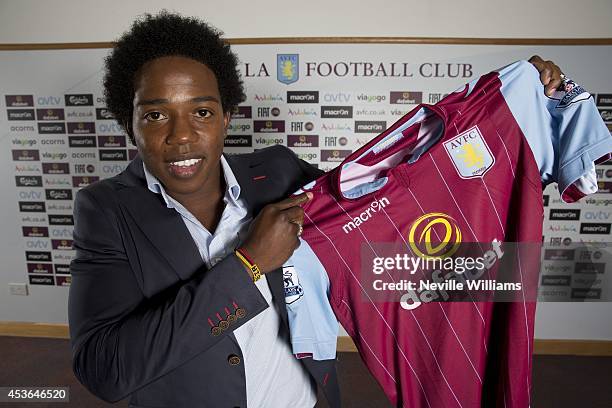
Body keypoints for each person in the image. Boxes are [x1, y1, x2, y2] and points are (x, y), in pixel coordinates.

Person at [68, 11, 564, 408]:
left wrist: (511, 104)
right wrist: (248, 265)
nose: (181, 136)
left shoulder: (278, 174)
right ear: (127, 122)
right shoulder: (107, 211)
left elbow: (385, 207)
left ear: (225, 117)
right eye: (155, 115)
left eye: (201, 111)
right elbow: (108, 371)